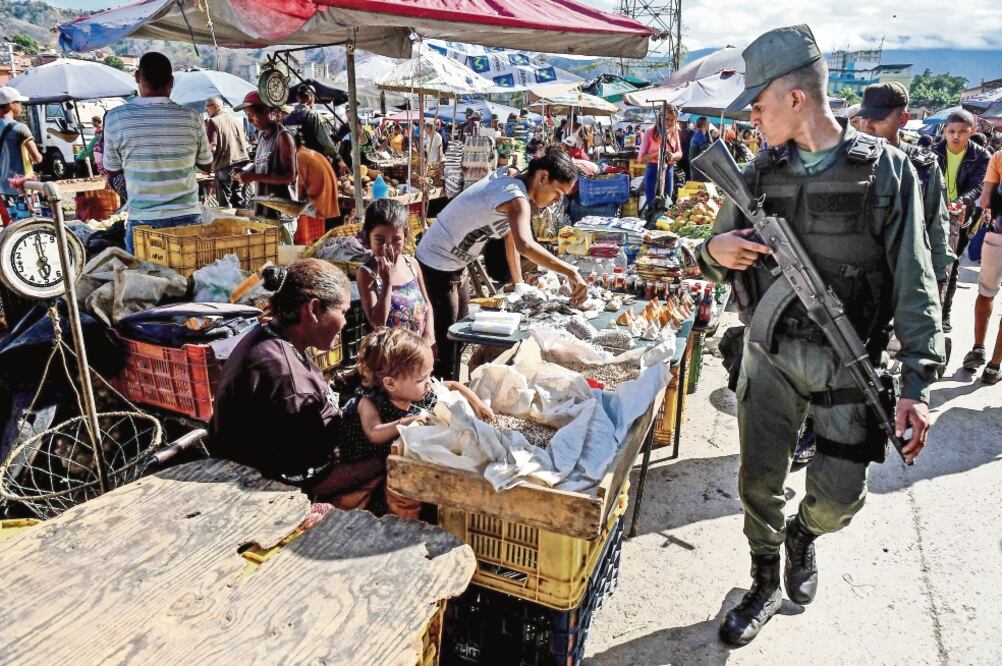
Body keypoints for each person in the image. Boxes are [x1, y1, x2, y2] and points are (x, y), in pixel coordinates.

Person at [699, 25, 943, 647]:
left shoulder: (887, 171)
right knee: (758, 482)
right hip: (771, 353)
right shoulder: (758, 171)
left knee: (840, 499)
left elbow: (915, 278)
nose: (752, 117)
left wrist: (918, 381)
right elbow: (713, 249)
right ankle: (762, 578)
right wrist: (714, 250)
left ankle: (803, 535)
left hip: (847, 359)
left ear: (796, 97)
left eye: (758, 104)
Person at [209, 259, 387, 510]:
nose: (346, 323)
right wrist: (384, 460)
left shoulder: (270, 335)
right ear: (313, 309)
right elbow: (318, 482)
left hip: (276, 461)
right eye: (343, 312)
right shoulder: (288, 380)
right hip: (264, 493)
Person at [416, 147, 588, 379]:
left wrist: (520, 285)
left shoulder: (515, 183)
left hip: (457, 264)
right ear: (543, 177)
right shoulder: (515, 196)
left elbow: (511, 239)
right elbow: (525, 245)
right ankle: (439, 389)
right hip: (436, 263)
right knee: (448, 344)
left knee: (461, 335)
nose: (557, 201)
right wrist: (570, 271)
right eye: (557, 193)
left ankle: (451, 384)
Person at [102, 53, 212, 254]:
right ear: (171, 82)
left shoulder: (116, 118)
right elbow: (206, 165)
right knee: (191, 274)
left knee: (145, 273)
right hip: (188, 217)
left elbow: (112, 169)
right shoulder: (192, 118)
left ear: (137, 77)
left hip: (144, 220)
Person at [342, 327, 493, 456]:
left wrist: (478, 404)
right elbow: (373, 433)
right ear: (390, 383)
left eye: (429, 374)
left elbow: (453, 385)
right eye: (421, 379)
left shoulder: (421, 390)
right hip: (369, 455)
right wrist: (406, 422)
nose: (429, 382)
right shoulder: (369, 401)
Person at [933, 110, 991, 332]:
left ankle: (945, 313)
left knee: (952, 264)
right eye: (951, 131)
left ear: (971, 132)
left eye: (962, 132)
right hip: (933, 214)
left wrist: (959, 202)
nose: (956, 136)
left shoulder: (981, 156)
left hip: (962, 217)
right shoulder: (934, 152)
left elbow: (979, 186)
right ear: (945, 132)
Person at [357, 199, 435, 345]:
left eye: (396, 240)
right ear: (368, 237)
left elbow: (427, 304)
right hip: (389, 355)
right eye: (379, 240)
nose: (388, 247)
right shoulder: (367, 273)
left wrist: (429, 335)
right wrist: (387, 282)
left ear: (406, 236)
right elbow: (378, 323)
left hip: (419, 349)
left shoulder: (411, 264)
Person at [961, 148, 1002, 383]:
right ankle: (994, 367)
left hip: (997, 236)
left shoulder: (999, 157)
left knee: (986, 294)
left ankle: (978, 348)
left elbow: (985, 201)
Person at [233, 91, 297, 220]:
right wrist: (245, 172)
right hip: (264, 211)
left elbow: (289, 177)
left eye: (252, 115)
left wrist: (253, 176)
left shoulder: (283, 136)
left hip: (281, 214)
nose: (249, 120)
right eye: (247, 115)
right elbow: (262, 165)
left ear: (269, 113)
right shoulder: (262, 136)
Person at [0, 85, 42, 222]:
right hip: (23, 186)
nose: (21, 106)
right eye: (19, 103)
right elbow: (37, 157)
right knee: (32, 223)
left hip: (4, 186)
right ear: (11, 105)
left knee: (16, 225)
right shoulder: (20, 128)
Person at [284, 84, 347, 174]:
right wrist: (339, 159)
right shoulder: (313, 115)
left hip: (293, 165)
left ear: (297, 98)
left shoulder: (286, 119)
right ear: (311, 99)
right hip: (313, 162)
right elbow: (325, 141)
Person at [204, 96, 250, 209]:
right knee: (239, 203)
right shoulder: (236, 120)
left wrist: (206, 165)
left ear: (216, 107)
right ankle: (242, 220)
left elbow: (212, 147)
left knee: (225, 207)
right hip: (241, 165)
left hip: (224, 166)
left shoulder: (214, 121)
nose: (205, 110)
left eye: (207, 107)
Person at [637, 105, 683, 207]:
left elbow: (679, 153)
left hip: (669, 169)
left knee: (667, 203)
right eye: (666, 119)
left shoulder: (674, 132)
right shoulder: (650, 131)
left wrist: (673, 155)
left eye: (672, 120)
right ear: (660, 117)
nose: (669, 122)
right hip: (653, 170)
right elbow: (641, 158)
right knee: (652, 204)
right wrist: (658, 153)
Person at [295, 134, 340, 226]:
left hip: (319, 208)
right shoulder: (309, 152)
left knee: (285, 211)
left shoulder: (299, 157)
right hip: (329, 205)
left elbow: (298, 193)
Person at [688, 116, 711, 181]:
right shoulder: (699, 136)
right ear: (704, 125)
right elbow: (705, 151)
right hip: (698, 168)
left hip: (700, 168)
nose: (709, 124)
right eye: (708, 123)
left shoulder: (704, 135)